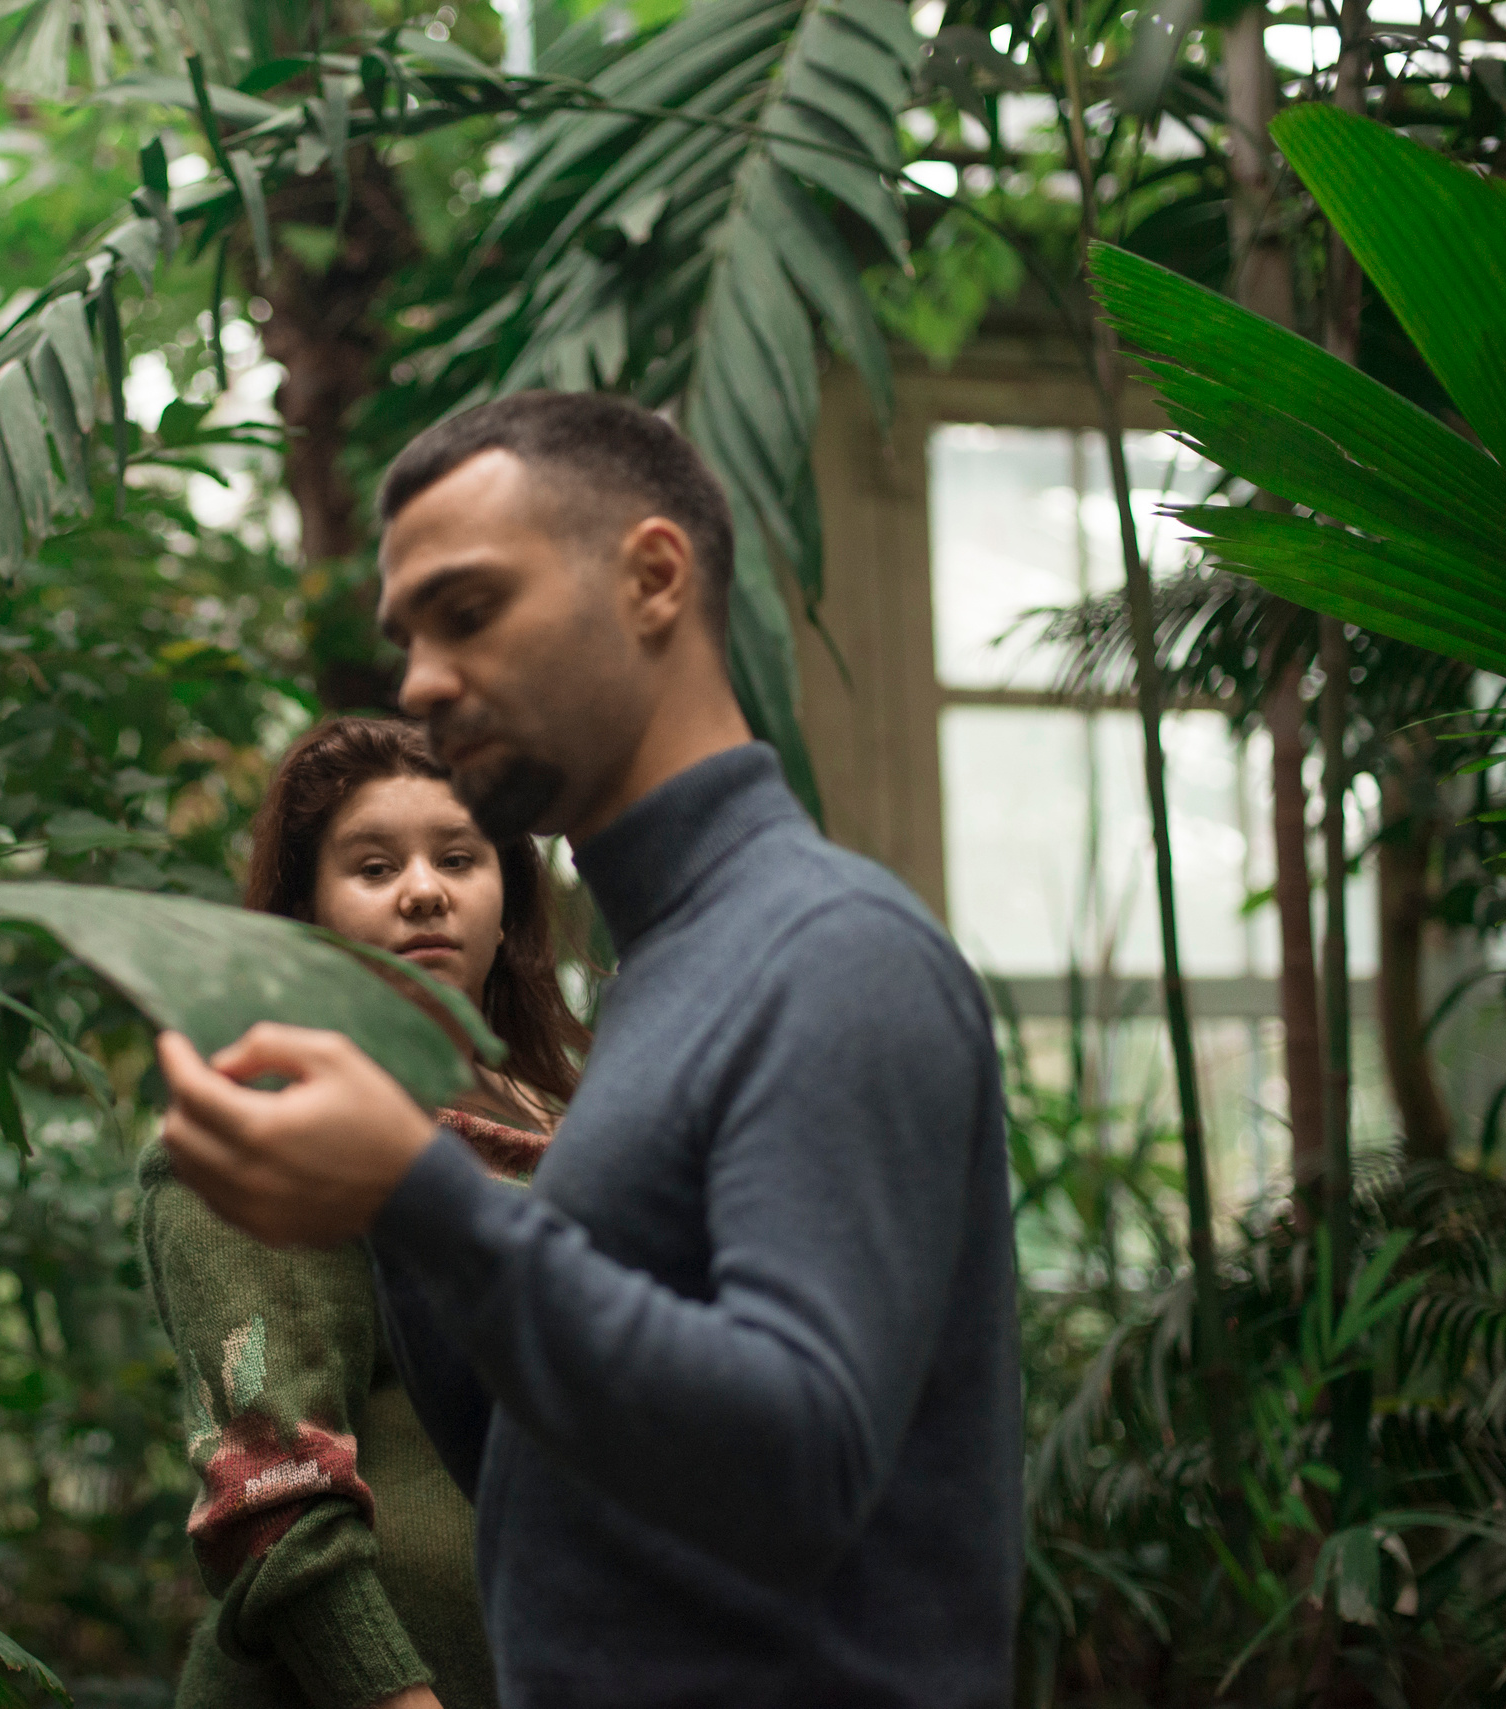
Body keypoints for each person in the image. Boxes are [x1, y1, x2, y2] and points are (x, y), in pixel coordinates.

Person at [153, 392, 1023, 1707]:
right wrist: (356, 1189)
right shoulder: (662, 977)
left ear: (653, 577)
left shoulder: (828, 955)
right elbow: (566, 1452)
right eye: (408, 638)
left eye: (470, 610)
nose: (424, 682)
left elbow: (799, 1461)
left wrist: (419, 1191)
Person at [139, 716, 591, 1709]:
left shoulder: (584, 1126)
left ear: (509, 899)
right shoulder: (261, 1123)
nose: (424, 887)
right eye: (374, 864)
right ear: (310, 911)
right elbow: (271, 1495)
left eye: (459, 856)